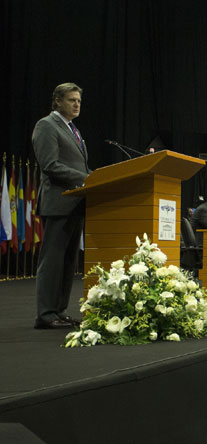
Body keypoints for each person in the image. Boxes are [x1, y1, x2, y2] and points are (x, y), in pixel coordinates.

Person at [32, 82, 92, 329]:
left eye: (78, 100)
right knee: (53, 261)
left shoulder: (72, 129)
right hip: (58, 202)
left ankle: (59, 310)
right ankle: (45, 314)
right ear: (57, 101)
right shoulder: (46, 125)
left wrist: (96, 177)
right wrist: (86, 178)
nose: (77, 104)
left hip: (75, 203)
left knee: (69, 263)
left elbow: (79, 167)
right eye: (71, 100)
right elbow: (50, 164)